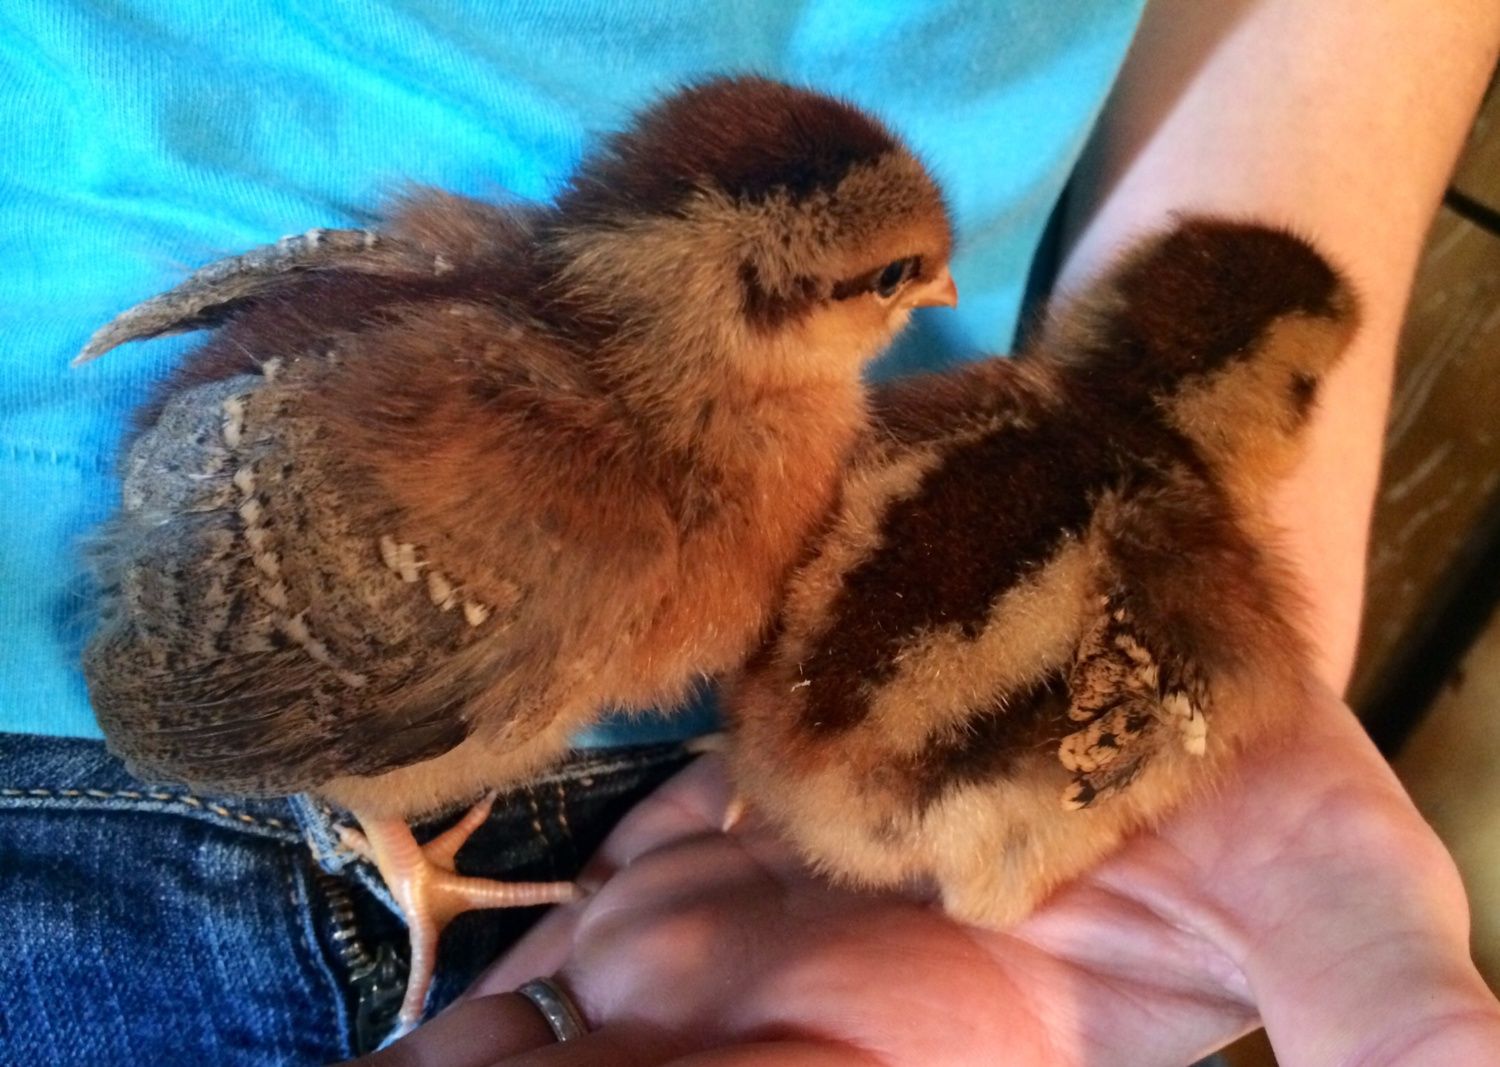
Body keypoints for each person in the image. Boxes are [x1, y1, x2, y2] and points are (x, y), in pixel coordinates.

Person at [1, 1, 1496, 1064]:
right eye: (896, 277)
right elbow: (209, 696)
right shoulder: (609, 504)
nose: (928, 292)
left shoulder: (726, 415)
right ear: (776, 305)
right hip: (220, 781)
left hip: (697, 780)